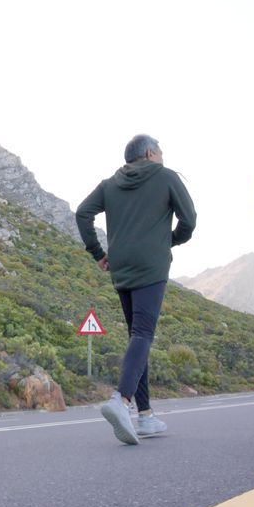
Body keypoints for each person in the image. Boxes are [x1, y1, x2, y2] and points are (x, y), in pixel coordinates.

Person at [76, 134, 197, 445]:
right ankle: (122, 400)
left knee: (136, 335)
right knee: (143, 333)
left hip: (121, 266)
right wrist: (169, 240)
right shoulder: (166, 177)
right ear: (149, 152)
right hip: (151, 266)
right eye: (160, 150)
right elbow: (189, 220)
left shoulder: (109, 184)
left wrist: (97, 252)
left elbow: (82, 214)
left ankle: (145, 416)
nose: (162, 155)